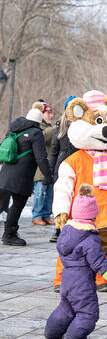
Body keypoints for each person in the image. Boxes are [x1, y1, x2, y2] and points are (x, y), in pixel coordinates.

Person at [44, 184, 107, 339]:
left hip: (67, 280)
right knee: (88, 312)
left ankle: (52, 331)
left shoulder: (66, 232)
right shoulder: (89, 238)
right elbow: (98, 261)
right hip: (82, 283)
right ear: (92, 216)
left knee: (66, 308)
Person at [0, 103, 52, 246]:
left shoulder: (13, 129)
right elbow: (41, 158)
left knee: (4, 204)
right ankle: (9, 235)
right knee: (17, 204)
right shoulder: (36, 133)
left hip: (6, 171)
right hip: (22, 175)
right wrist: (48, 176)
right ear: (39, 121)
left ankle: (9, 232)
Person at [48, 96, 78, 245]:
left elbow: (54, 151)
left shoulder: (59, 126)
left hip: (62, 164)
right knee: (73, 197)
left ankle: (59, 229)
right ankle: (63, 229)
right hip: (74, 164)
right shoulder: (79, 125)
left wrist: (52, 171)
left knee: (61, 197)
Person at [31, 101, 56, 226]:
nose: (50, 115)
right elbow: (44, 135)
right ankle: (36, 215)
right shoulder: (38, 126)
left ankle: (46, 215)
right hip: (40, 167)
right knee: (40, 193)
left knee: (48, 193)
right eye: (48, 113)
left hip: (50, 165)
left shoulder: (48, 126)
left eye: (51, 113)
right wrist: (56, 127)